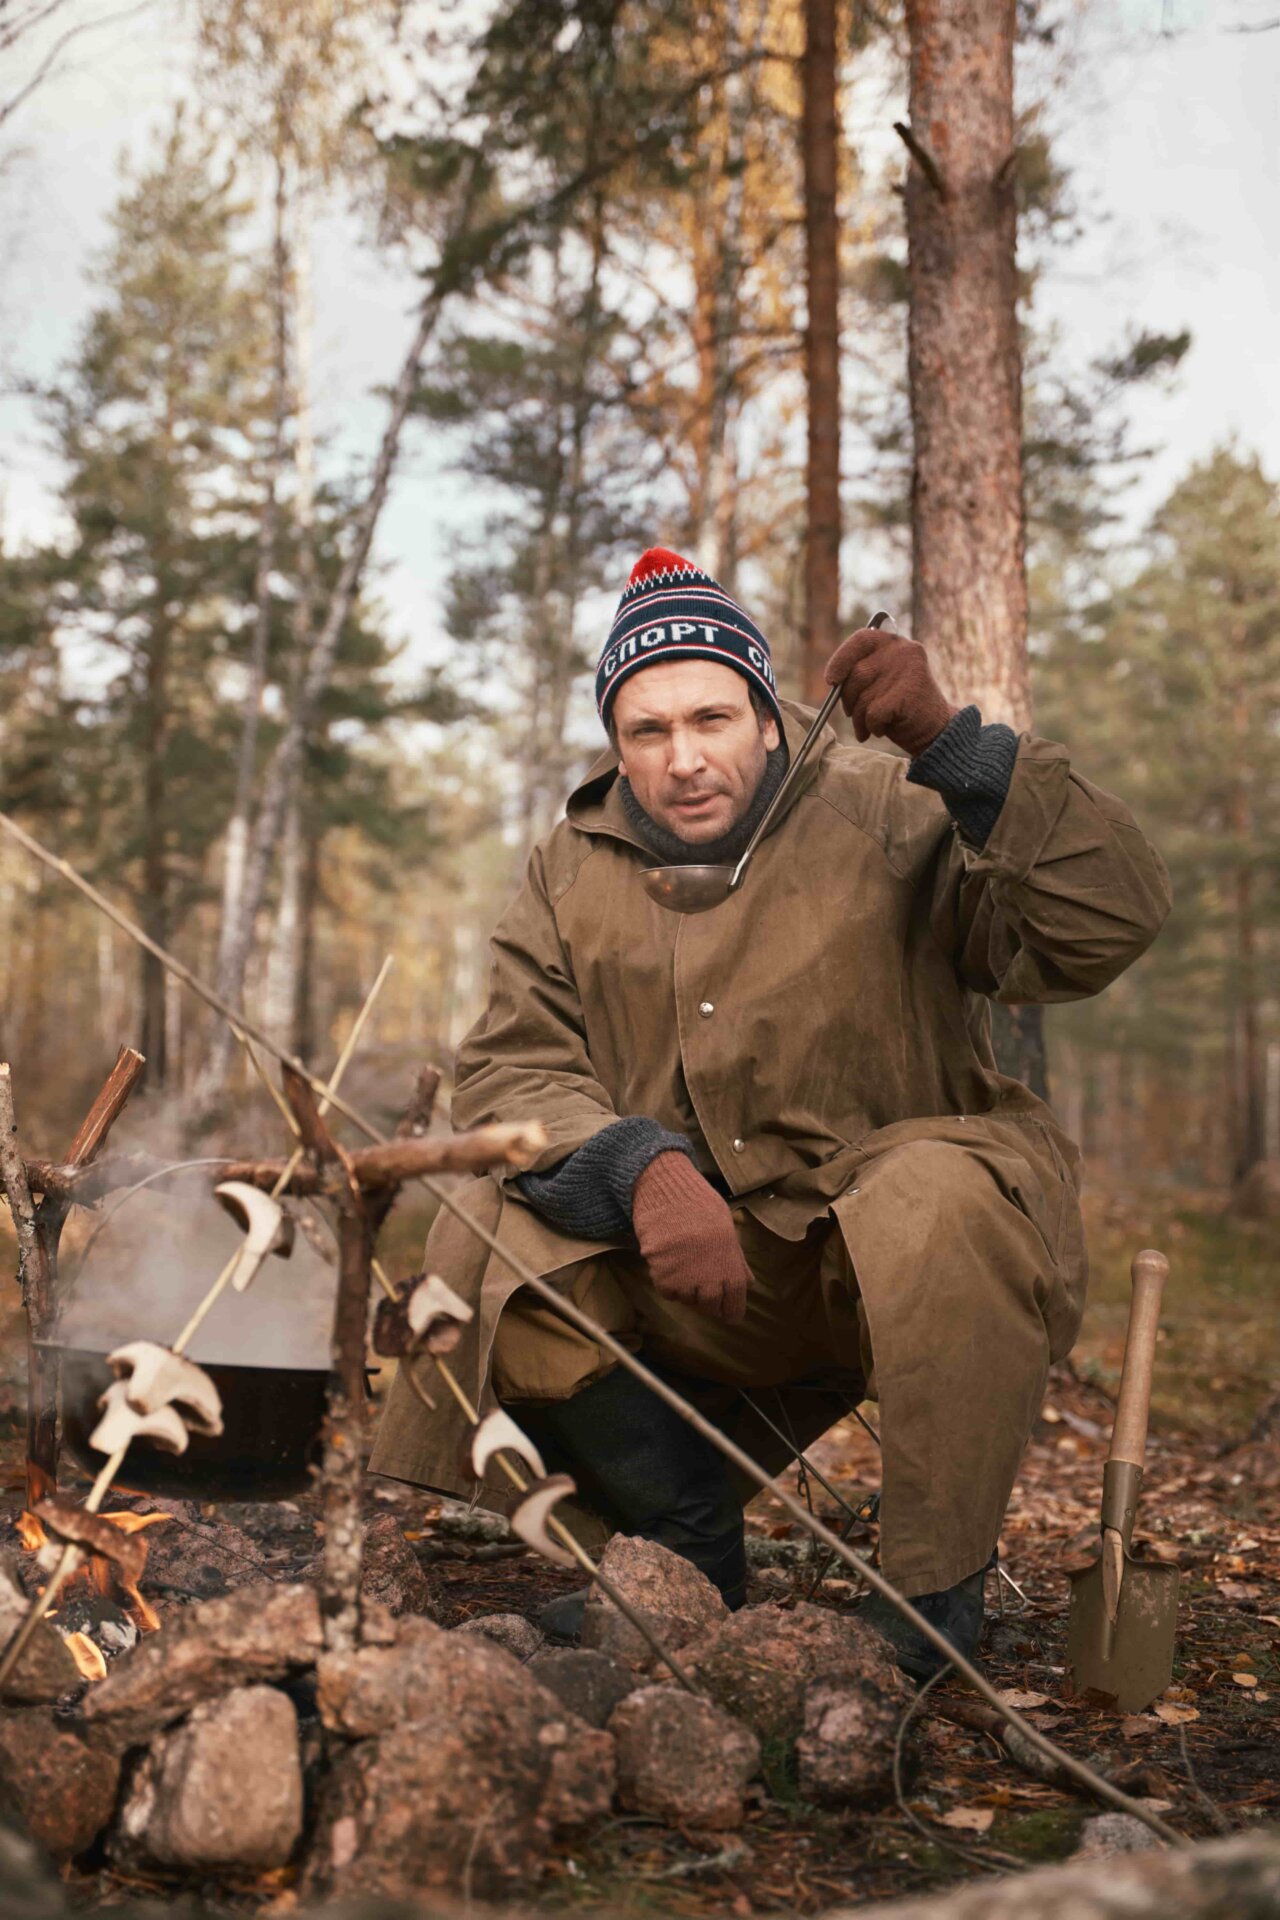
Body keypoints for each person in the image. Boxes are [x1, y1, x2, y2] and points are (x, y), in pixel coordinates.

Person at [371, 547, 1170, 1678]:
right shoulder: (569, 868)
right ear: (615, 742)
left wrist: (955, 747)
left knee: (940, 1191)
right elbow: (510, 1070)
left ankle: (929, 1604)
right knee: (486, 1236)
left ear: (764, 713)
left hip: (901, 1267)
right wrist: (638, 1168)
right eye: (648, 730)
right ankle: (680, 1558)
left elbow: (1106, 921)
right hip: (701, 1276)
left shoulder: (892, 808)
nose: (684, 759)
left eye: (712, 717)